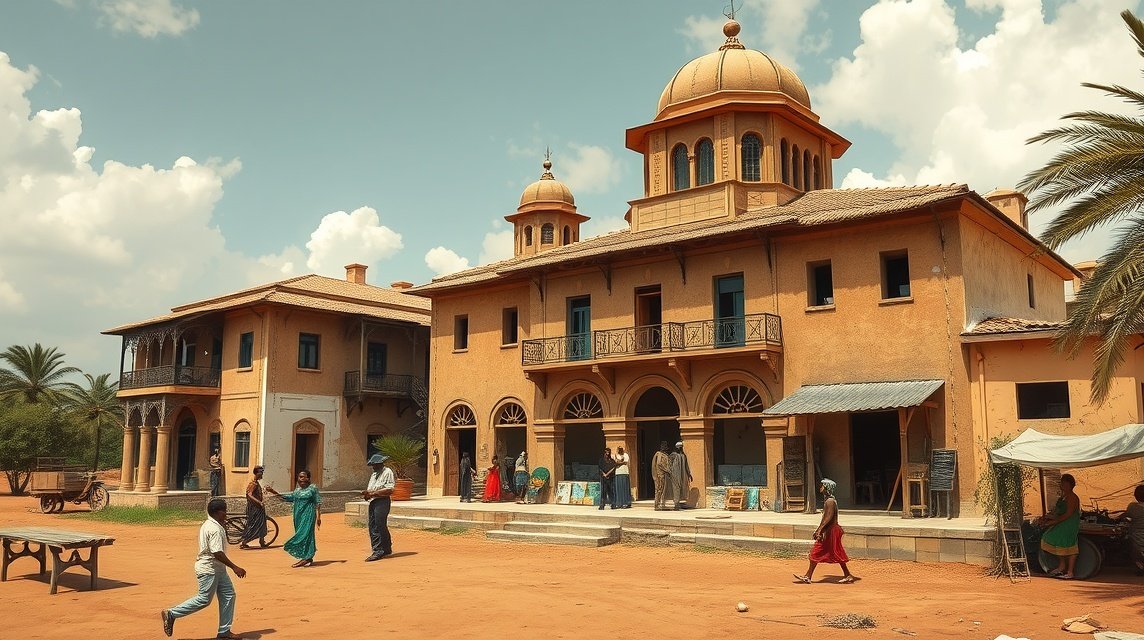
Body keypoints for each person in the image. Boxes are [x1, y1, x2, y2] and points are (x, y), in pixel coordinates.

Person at [161, 497, 246, 639]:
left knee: (229, 595)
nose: (226, 513)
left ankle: (224, 631)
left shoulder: (211, 524)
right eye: (224, 511)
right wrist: (234, 567)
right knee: (204, 599)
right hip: (209, 569)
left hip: (218, 569)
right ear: (218, 512)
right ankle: (172, 613)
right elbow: (217, 552)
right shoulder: (214, 528)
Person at [793, 479, 855, 584]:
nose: (820, 488)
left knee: (816, 552)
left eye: (822, 486)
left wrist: (820, 530)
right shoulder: (829, 500)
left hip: (830, 531)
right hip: (830, 530)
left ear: (827, 488)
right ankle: (847, 575)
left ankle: (808, 576)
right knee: (835, 552)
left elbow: (828, 518)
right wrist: (820, 529)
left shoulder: (830, 501)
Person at [266, 470, 321, 568]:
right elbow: (287, 498)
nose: (302, 479)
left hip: (308, 516)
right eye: (300, 477)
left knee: (304, 535)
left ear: (309, 478)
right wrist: (273, 491)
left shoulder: (312, 489)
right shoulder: (297, 491)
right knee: (301, 534)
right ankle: (307, 557)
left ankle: (307, 557)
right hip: (297, 517)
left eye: (304, 477)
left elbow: (318, 502)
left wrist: (318, 517)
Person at [1038, 473, 1081, 579]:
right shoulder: (1062, 497)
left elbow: (1068, 514)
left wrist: (1053, 522)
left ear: (1071, 485)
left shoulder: (1072, 497)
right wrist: (1047, 518)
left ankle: (1070, 572)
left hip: (1069, 524)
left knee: (1070, 546)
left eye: (1066, 484)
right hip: (1061, 522)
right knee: (1052, 540)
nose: (1064, 485)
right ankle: (1062, 566)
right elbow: (1057, 513)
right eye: (1062, 483)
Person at [362, 454, 394, 562]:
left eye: (374, 464)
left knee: (377, 525)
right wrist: (367, 494)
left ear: (380, 463)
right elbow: (371, 489)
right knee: (375, 524)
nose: (373, 467)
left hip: (382, 501)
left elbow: (389, 489)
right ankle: (386, 547)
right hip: (373, 501)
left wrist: (373, 493)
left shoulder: (387, 472)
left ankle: (378, 550)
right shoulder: (374, 474)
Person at [238, 466, 268, 549]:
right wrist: (259, 502)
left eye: (262, 472)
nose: (261, 474)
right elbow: (249, 494)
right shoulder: (253, 484)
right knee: (254, 525)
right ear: (256, 473)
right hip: (254, 508)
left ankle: (262, 541)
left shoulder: (256, 483)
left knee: (261, 524)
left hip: (258, 507)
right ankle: (244, 542)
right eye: (260, 472)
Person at [1123, 484, 1144, 574]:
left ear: (1135, 496)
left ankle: (1140, 567)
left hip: (1136, 538)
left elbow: (1125, 516)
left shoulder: (1132, 507)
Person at [668, 441, 693, 510]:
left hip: (683, 475)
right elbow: (669, 464)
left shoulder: (683, 455)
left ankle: (679, 503)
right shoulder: (673, 455)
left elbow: (686, 465)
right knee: (676, 488)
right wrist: (669, 473)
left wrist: (689, 474)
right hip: (675, 475)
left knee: (682, 488)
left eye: (681, 447)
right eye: (679, 447)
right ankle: (676, 504)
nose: (680, 449)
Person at [652, 441, 671, 511]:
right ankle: (657, 505)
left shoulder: (664, 454)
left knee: (662, 490)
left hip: (662, 474)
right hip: (660, 474)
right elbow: (659, 463)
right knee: (659, 489)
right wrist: (666, 470)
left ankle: (661, 504)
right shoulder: (659, 454)